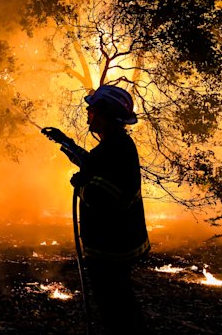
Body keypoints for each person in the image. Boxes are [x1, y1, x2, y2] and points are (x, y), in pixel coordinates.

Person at [44, 84, 149, 334]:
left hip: (112, 248)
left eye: (92, 110)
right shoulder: (116, 144)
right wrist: (65, 142)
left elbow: (104, 196)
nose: (88, 114)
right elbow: (92, 163)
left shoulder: (117, 150)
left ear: (105, 115)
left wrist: (81, 187)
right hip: (116, 243)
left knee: (115, 307)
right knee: (119, 303)